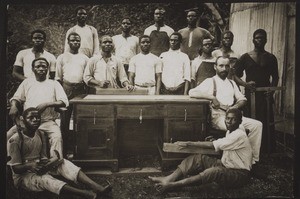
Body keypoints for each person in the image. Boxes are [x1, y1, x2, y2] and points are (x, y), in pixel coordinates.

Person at [7, 107, 112, 199]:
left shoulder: (40, 133)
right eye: (31, 118)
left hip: (38, 168)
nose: (35, 120)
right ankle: (86, 194)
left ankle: (98, 188)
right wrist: (29, 165)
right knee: (45, 179)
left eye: (38, 117)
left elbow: (43, 158)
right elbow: (15, 169)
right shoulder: (15, 140)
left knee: (63, 163)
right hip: (23, 176)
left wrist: (51, 161)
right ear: (23, 120)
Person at [149, 108, 252, 193]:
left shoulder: (239, 134)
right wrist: (216, 141)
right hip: (226, 165)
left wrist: (189, 143)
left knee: (213, 172)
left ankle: (173, 185)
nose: (229, 121)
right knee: (197, 158)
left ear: (240, 121)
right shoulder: (231, 131)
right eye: (227, 118)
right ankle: (169, 178)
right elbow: (225, 145)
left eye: (233, 119)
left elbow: (213, 145)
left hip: (239, 174)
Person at [189, 56, 262, 165]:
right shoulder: (210, 81)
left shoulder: (232, 83)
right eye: (221, 66)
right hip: (218, 118)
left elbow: (242, 99)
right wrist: (212, 98)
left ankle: (252, 160)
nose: (224, 69)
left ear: (230, 67)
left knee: (257, 125)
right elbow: (191, 92)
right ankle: (232, 160)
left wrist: (234, 108)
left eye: (227, 66)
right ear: (215, 67)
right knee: (239, 127)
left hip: (234, 116)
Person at [8, 57, 69, 158]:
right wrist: (14, 106)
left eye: (44, 66)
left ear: (47, 69)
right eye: (38, 66)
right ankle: (12, 163)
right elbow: (17, 97)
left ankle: (55, 164)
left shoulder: (54, 84)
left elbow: (63, 101)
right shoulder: (27, 82)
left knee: (57, 137)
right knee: (9, 135)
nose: (41, 69)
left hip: (47, 122)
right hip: (27, 122)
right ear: (33, 69)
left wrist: (47, 104)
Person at [235, 29, 279, 153]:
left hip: (265, 95)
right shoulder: (245, 57)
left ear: (266, 40)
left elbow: (275, 77)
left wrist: (272, 91)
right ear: (253, 40)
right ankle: (249, 148)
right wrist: (245, 84)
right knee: (251, 121)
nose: (260, 40)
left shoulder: (271, 58)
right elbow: (235, 75)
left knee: (266, 120)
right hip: (251, 95)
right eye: (257, 38)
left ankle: (266, 149)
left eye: (262, 38)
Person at [55, 32, 89, 145]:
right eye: (73, 40)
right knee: (65, 118)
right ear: (68, 42)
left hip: (80, 89)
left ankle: (79, 146)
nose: (75, 42)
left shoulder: (84, 58)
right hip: (66, 88)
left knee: (80, 118)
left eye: (78, 41)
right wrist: (59, 94)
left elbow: (87, 76)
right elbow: (58, 78)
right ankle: (64, 147)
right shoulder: (62, 57)